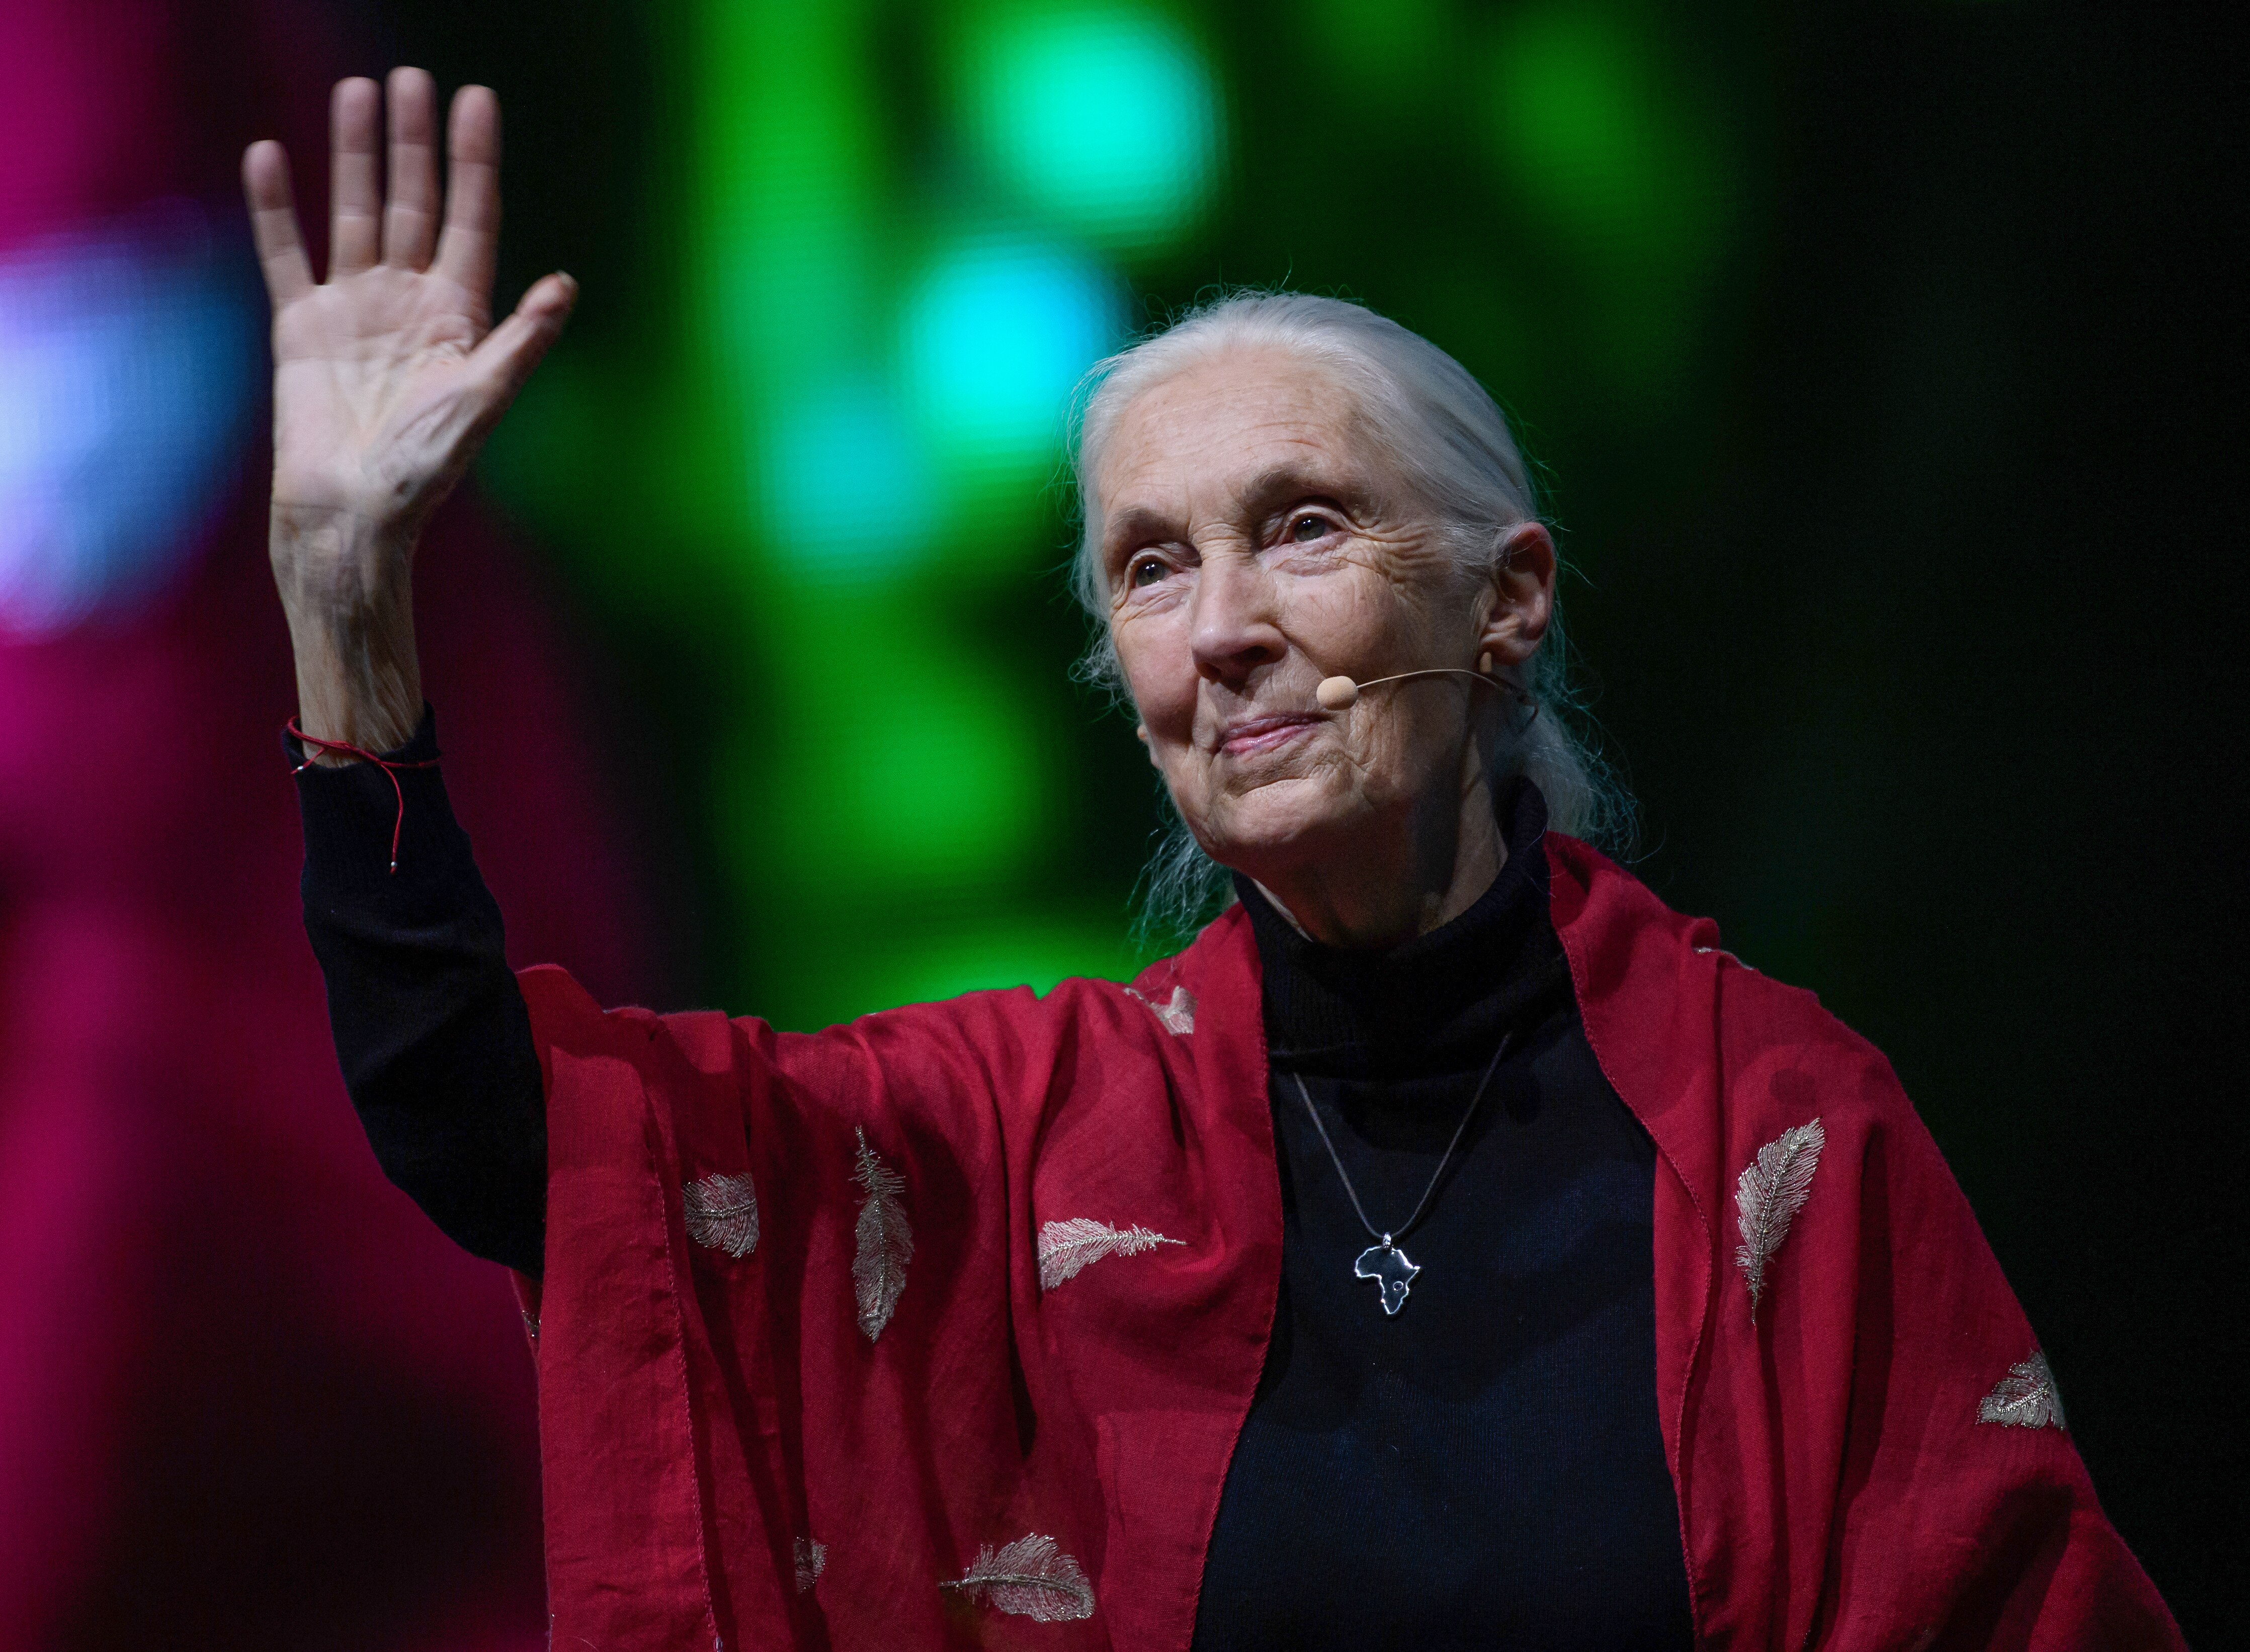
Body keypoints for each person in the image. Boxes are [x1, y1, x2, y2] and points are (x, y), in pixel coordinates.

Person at [248, 71, 2183, 1650]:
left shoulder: (1784, 1128)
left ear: (1506, 601)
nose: (1224, 629)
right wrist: (343, 595)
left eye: (1304, 526)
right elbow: (496, 1125)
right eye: (1151, 569)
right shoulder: (1005, 1139)